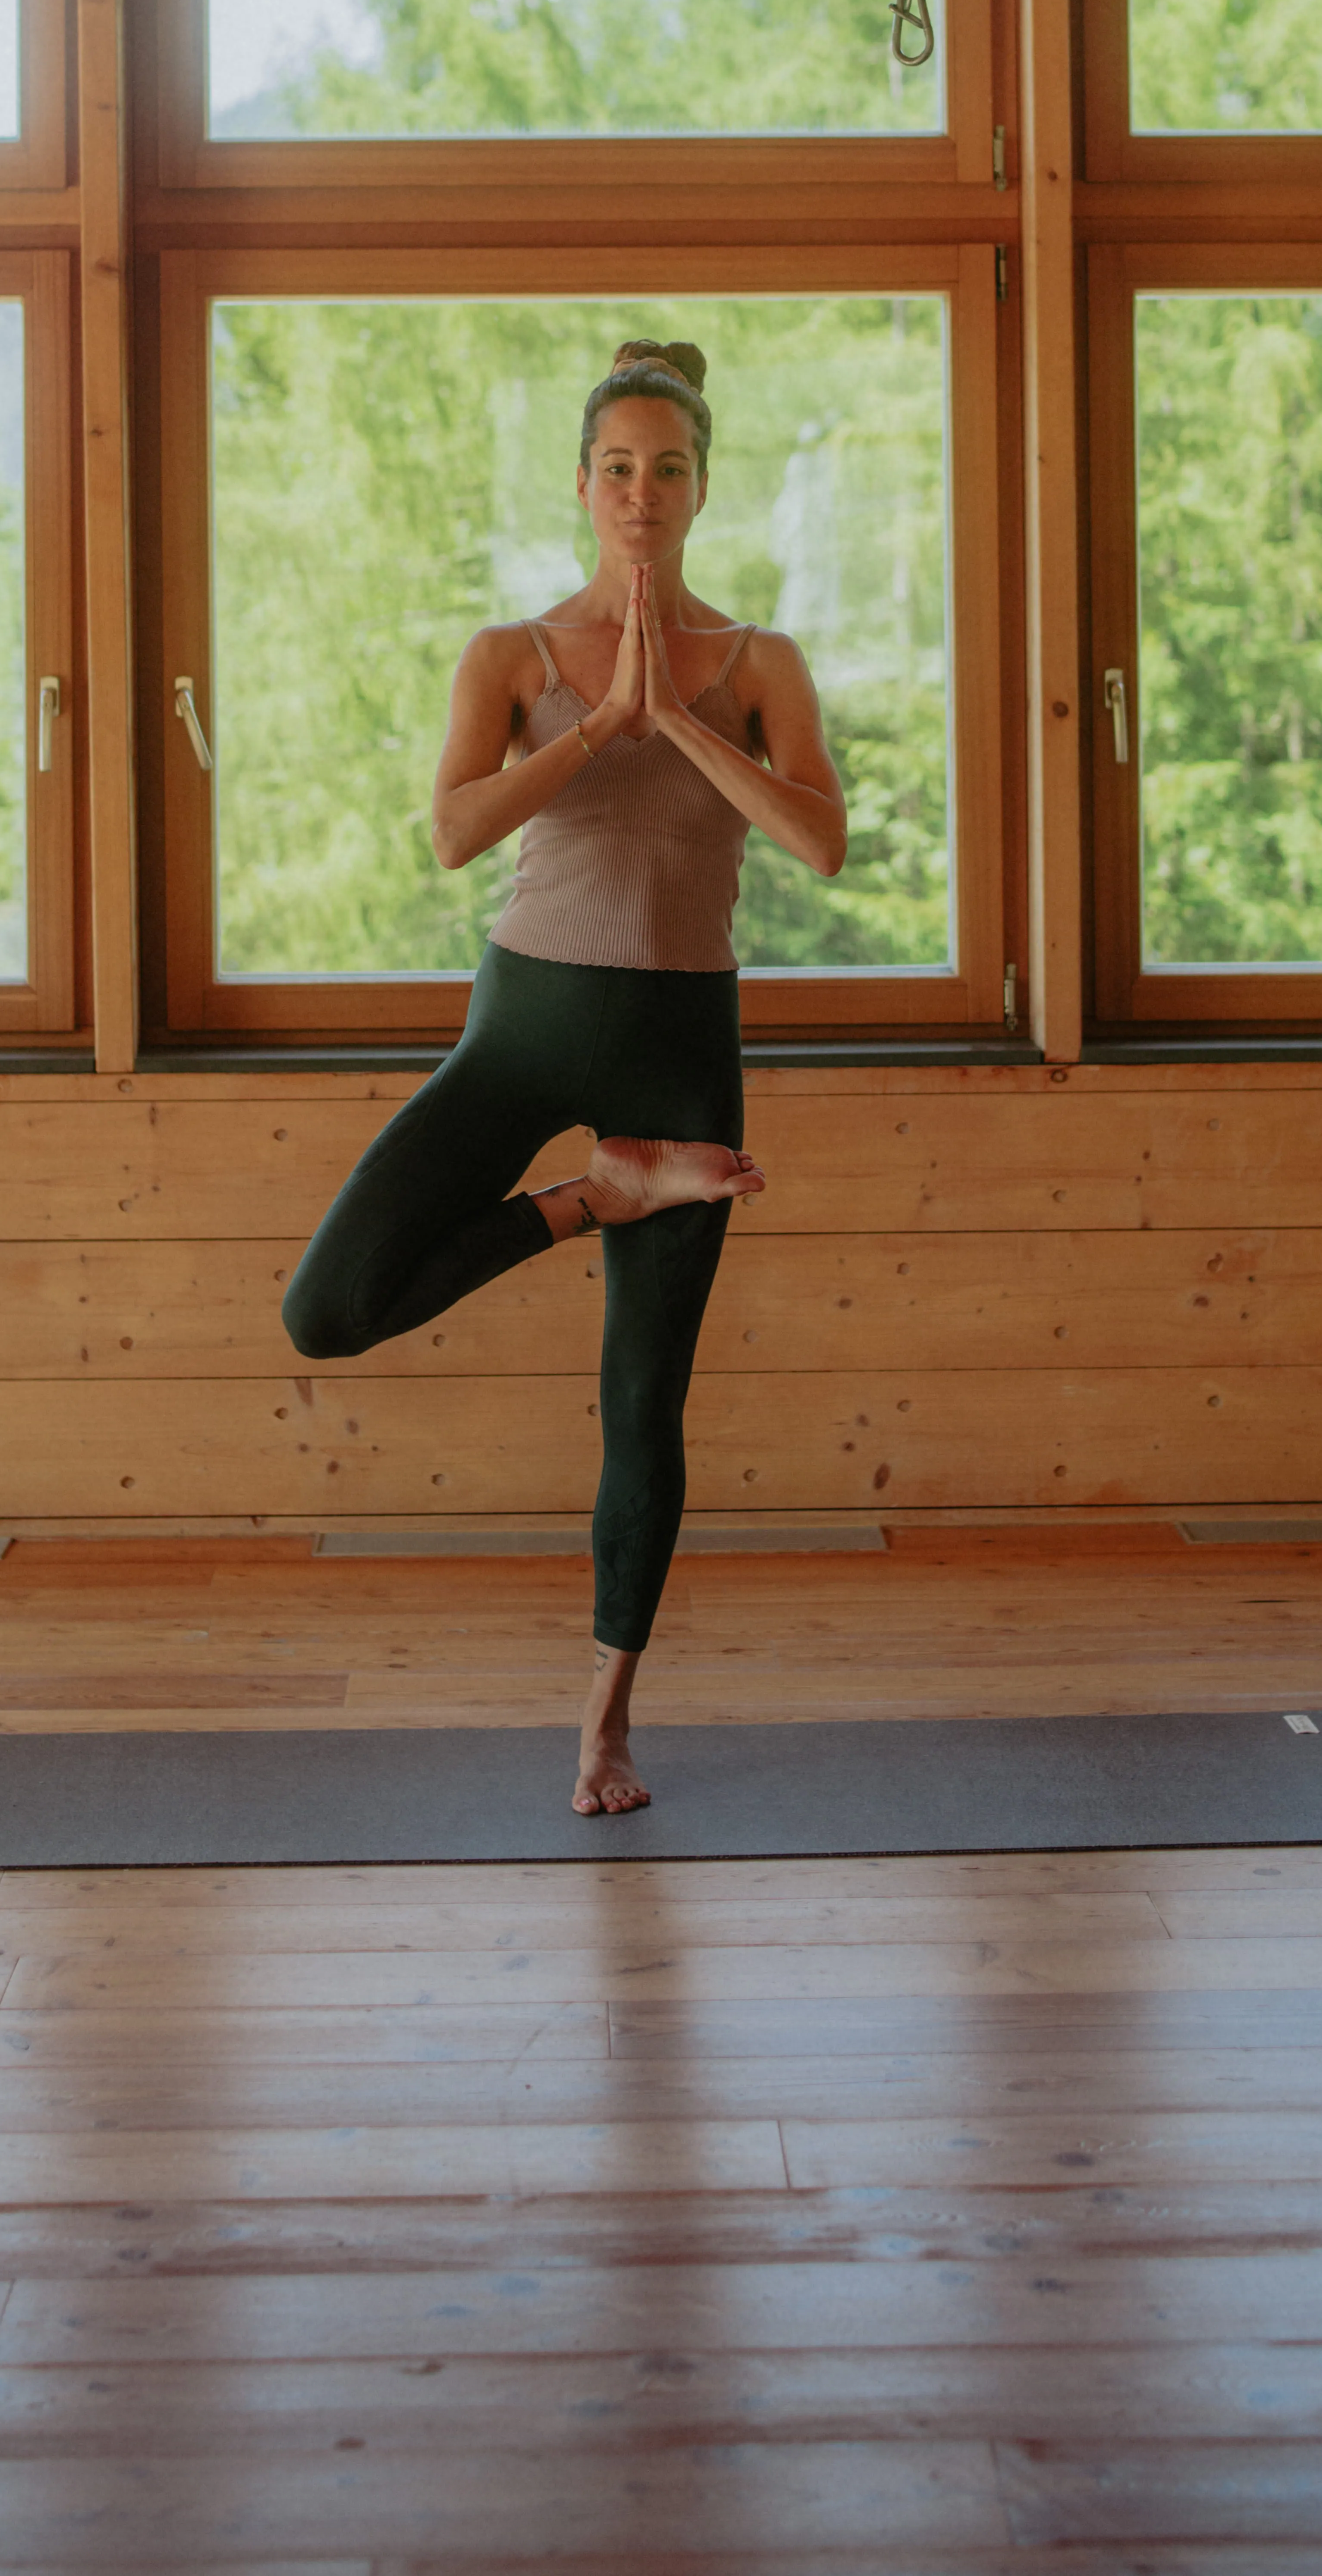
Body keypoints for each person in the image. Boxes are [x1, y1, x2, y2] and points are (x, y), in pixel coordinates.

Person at [280, 340, 850, 1817]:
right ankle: (592, 1202)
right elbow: (455, 833)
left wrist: (678, 725)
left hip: (681, 1038)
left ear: (703, 487)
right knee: (327, 1305)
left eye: (669, 469)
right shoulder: (510, 658)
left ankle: (604, 1725)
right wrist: (599, 724)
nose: (642, 494)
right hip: (526, 1020)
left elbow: (821, 844)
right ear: (582, 487)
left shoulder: (758, 666)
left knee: (643, 1402)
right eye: (617, 468)